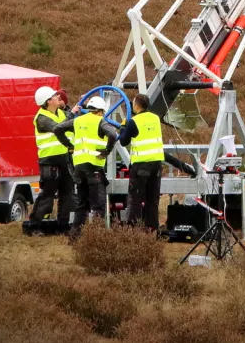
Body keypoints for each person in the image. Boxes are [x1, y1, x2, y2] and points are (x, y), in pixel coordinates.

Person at [117, 93, 194, 231]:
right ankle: (152, 229)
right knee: (152, 201)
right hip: (156, 166)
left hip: (140, 166)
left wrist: (123, 126)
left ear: (136, 105)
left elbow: (123, 141)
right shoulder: (155, 119)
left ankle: (134, 231)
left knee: (135, 200)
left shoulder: (133, 122)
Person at [53, 95, 118, 239]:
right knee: (98, 205)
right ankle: (97, 238)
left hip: (79, 169)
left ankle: (74, 237)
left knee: (82, 204)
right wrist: (106, 151)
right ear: (101, 111)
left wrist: (69, 145)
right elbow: (113, 134)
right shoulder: (100, 121)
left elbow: (58, 128)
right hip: (94, 168)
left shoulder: (77, 121)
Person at [24, 85, 75, 235]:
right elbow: (58, 128)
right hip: (49, 162)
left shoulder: (60, 113)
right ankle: (34, 227)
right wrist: (73, 117)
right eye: (54, 96)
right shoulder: (42, 119)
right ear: (48, 102)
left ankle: (63, 227)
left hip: (65, 160)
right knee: (47, 196)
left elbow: (68, 122)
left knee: (68, 195)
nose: (57, 97)